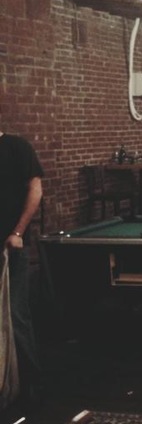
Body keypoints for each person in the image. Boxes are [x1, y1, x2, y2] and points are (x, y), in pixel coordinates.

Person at [0, 129, 44, 405]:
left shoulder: (17, 147)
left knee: (15, 315)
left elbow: (35, 190)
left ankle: (30, 385)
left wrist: (17, 232)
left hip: (11, 246)